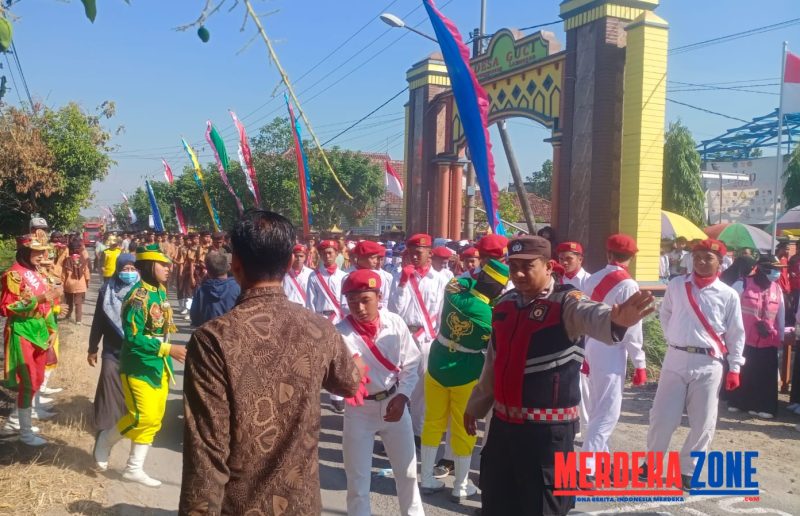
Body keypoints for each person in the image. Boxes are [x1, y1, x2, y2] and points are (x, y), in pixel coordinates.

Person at [179, 210, 362, 514]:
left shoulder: (213, 339)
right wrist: (357, 365)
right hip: (301, 505)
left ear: (235, 264)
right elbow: (348, 381)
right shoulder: (318, 329)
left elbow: (206, 453)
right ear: (290, 263)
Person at [463, 235, 654, 515]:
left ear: (549, 267)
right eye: (513, 265)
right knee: (497, 503)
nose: (518, 273)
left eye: (528, 266)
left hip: (548, 436)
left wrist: (615, 321)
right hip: (503, 428)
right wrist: (475, 405)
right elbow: (494, 362)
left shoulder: (566, 303)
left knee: (544, 508)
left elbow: (592, 314)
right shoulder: (505, 305)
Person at [641, 239, 745, 491]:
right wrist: (674, 338)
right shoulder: (677, 285)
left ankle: (688, 469)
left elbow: (735, 333)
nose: (700, 261)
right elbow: (665, 314)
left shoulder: (728, 294)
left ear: (720, 263)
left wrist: (735, 367)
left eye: (707, 257)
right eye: (696, 256)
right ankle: (651, 463)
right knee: (662, 416)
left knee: (703, 421)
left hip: (708, 362)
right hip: (675, 357)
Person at [92, 244, 186, 487]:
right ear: (148, 265)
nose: (169, 268)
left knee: (154, 418)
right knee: (139, 416)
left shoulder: (160, 291)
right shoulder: (138, 296)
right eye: (163, 264)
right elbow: (133, 338)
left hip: (158, 365)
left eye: (168, 264)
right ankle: (105, 440)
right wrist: (167, 349)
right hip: (137, 366)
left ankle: (134, 468)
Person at [420, 259, 509, 501]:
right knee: (464, 427)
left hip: (438, 365)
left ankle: (426, 476)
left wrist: (482, 280)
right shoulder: (490, 314)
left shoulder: (453, 290)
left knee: (433, 421)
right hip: (466, 372)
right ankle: (460, 484)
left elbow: (465, 279)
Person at [337, 269, 423, 516]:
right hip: (359, 410)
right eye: (353, 302)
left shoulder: (394, 322)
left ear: (378, 296)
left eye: (365, 300)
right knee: (358, 481)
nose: (359, 308)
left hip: (393, 402)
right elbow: (333, 373)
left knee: (407, 473)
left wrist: (403, 395)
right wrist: (344, 384)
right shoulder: (340, 332)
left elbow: (411, 363)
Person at [581, 234, 647, 477]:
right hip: (611, 347)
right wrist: (639, 362)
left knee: (598, 407)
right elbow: (633, 328)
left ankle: (603, 462)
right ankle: (588, 468)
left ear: (608, 253)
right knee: (607, 412)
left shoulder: (592, 278)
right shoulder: (629, 285)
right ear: (630, 258)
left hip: (592, 343)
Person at [0, 235, 63, 445]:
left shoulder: (36, 273)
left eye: (42, 252)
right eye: (36, 252)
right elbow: (7, 308)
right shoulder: (14, 275)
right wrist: (40, 299)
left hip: (40, 332)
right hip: (21, 332)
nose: (41, 256)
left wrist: (52, 328)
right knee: (27, 382)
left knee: (36, 380)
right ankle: (25, 434)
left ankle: (17, 422)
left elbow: (46, 305)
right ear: (25, 252)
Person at [389, 233, 450, 441]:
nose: (414, 257)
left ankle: (416, 433)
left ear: (429, 253)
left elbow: (443, 311)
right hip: (405, 336)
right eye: (411, 253)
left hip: (428, 339)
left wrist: (441, 340)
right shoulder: (399, 276)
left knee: (421, 391)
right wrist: (403, 283)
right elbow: (394, 310)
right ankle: (396, 432)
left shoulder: (440, 279)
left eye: (419, 253)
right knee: (399, 384)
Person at [726, 254, 785, 419]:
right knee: (745, 370)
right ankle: (739, 402)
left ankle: (764, 405)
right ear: (762, 269)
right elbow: (729, 309)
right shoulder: (742, 284)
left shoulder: (777, 289)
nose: (777, 273)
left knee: (765, 374)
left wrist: (779, 336)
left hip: (768, 339)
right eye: (774, 269)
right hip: (744, 338)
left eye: (778, 270)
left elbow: (780, 314)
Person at [88, 253, 138, 433]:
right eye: (126, 269)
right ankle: (105, 426)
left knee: (131, 386)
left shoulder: (143, 291)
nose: (130, 272)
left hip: (136, 349)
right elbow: (98, 321)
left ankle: (127, 422)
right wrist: (92, 348)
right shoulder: (106, 290)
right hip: (111, 348)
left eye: (133, 269)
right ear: (118, 270)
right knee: (108, 381)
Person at [307, 238, 349, 412]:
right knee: (321, 358)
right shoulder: (314, 276)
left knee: (339, 358)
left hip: (340, 320)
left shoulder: (344, 276)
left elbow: (347, 302)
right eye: (324, 253)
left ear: (337, 254)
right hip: (322, 319)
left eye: (331, 252)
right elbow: (310, 302)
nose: (327, 256)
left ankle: (337, 395)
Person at [189, 251, 241, 327]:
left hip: (208, 333)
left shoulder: (201, 290)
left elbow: (194, 317)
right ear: (228, 267)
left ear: (208, 272)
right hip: (231, 332)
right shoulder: (238, 287)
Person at [346, 240, 393, 310]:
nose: (376, 261)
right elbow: (345, 305)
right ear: (360, 258)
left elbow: (385, 301)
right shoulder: (349, 277)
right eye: (372, 258)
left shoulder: (380, 277)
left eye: (377, 258)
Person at [61, 240, 91, 325]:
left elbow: (63, 274)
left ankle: (68, 316)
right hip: (80, 285)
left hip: (69, 285)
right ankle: (78, 320)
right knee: (78, 303)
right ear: (80, 249)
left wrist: (62, 283)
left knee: (69, 301)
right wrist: (87, 282)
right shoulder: (83, 260)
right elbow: (87, 273)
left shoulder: (67, 260)